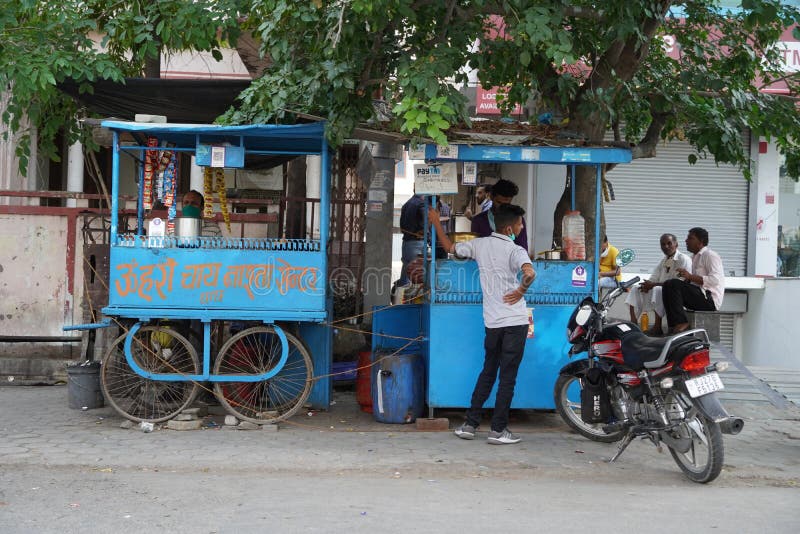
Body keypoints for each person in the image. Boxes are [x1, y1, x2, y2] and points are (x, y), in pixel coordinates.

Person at [429, 203, 536, 445]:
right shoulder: (516, 250)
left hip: (493, 322)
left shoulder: (480, 245)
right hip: (515, 321)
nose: (521, 228)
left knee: (488, 371)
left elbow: (448, 247)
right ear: (510, 227)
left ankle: (470, 424)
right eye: (520, 224)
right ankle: (498, 430)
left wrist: (436, 222)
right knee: (507, 377)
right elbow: (530, 273)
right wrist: (521, 290)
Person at [626, 233, 692, 336]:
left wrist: (652, 285)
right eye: (663, 244)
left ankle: (658, 327)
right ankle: (633, 322)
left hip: (677, 294)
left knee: (657, 289)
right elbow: (653, 278)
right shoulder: (663, 261)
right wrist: (646, 285)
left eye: (669, 243)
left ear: (676, 244)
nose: (666, 246)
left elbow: (680, 283)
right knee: (636, 288)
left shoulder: (683, 259)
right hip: (661, 289)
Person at [662, 227, 725, 334]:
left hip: (709, 300)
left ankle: (681, 322)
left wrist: (690, 277)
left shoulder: (710, 255)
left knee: (673, 284)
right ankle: (673, 325)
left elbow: (715, 280)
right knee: (668, 284)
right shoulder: (694, 258)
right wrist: (685, 279)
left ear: (700, 242)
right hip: (699, 295)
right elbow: (692, 281)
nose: (686, 241)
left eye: (690, 238)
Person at [470, 179, 529, 251]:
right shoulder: (478, 221)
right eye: (499, 202)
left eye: (507, 204)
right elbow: (475, 249)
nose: (502, 207)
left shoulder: (518, 220)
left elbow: (523, 249)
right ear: (491, 197)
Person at [398, 193, 429, 286]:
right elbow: (427, 220)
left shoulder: (406, 204)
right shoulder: (421, 204)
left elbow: (402, 226)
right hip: (416, 243)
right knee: (415, 276)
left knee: (405, 273)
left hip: (406, 243)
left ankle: (400, 297)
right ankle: (410, 299)